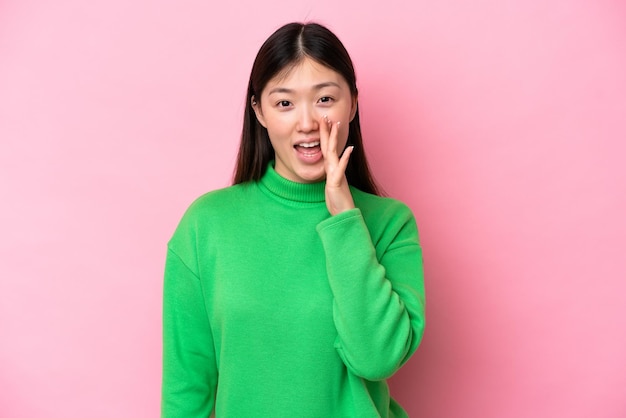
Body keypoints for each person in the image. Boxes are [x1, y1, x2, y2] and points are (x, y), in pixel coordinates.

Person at [161, 22, 425, 417]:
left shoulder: (390, 224)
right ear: (259, 111)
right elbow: (187, 388)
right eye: (285, 103)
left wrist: (344, 218)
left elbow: (378, 358)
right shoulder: (206, 226)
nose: (307, 124)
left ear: (352, 103)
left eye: (324, 99)